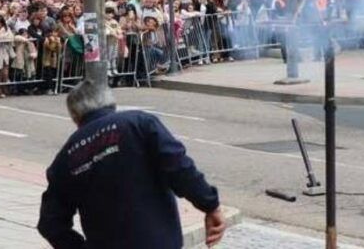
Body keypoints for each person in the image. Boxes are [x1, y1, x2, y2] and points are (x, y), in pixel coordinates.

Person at [38, 80, 225, 248]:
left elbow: (50, 223)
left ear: (75, 116)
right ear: (112, 103)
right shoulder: (140, 123)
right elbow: (180, 168)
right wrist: (210, 205)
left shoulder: (66, 158)